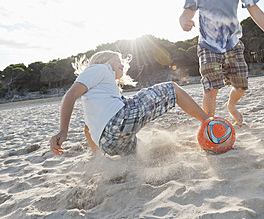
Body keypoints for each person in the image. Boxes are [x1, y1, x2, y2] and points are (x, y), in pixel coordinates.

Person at [49, 50, 209, 156]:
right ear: (104, 61)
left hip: (109, 143)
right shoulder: (99, 68)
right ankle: (207, 121)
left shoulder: (97, 99)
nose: (123, 65)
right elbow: (70, 95)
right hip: (121, 119)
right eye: (117, 60)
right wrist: (63, 130)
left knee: (138, 153)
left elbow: (87, 129)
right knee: (172, 88)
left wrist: (98, 158)